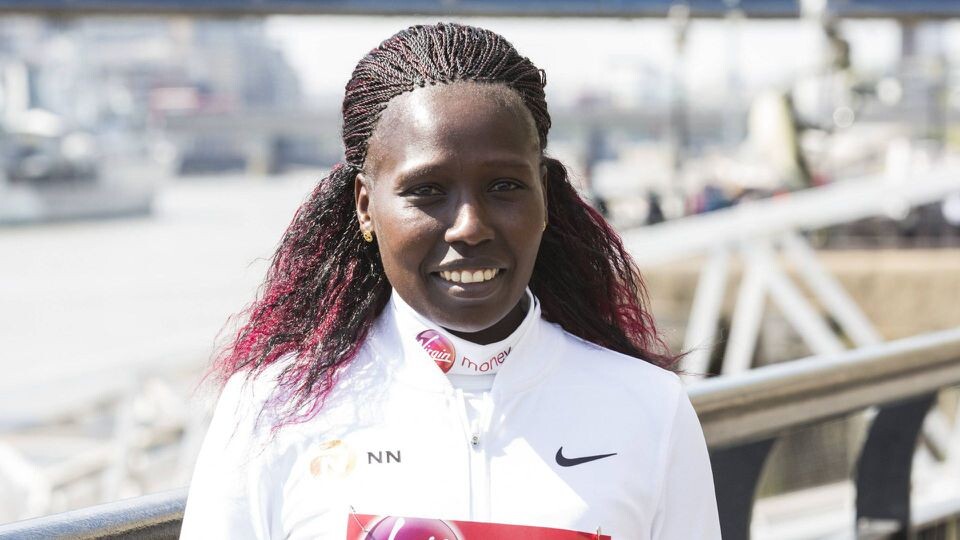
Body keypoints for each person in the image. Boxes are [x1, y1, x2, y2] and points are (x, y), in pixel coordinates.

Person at [181, 22, 720, 539]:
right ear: (366, 207)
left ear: (545, 196)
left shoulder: (651, 408)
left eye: (504, 185)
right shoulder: (272, 409)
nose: (470, 226)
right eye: (427, 190)